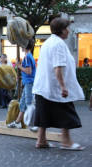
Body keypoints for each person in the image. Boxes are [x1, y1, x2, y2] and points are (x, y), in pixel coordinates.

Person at [33, 18, 84, 150]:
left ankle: (41, 140)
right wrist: (63, 87)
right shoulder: (59, 44)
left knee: (43, 113)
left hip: (43, 86)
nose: (69, 31)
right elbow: (58, 67)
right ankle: (66, 141)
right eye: (67, 28)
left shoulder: (48, 42)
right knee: (66, 113)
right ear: (62, 30)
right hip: (55, 87)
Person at [7, 40, 36, 129]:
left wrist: (19, 66)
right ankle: (18, 122)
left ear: (24, 46)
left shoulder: (27, 57)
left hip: (29, 82)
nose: (21, 47)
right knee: (23, 103)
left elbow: (29, 71)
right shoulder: (29, 56)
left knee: (29, 103)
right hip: (28, 82)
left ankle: (34, 124)